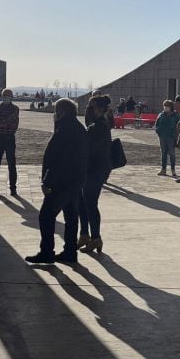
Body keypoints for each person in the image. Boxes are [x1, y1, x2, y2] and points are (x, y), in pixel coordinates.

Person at [25, 98, 89, 265]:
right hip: (75, 181)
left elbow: (59, 159)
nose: (54, 113)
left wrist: (47, 181)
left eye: (56, 110)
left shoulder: (65, 129)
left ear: (62, 111)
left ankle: (47, 252)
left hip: (62, 182)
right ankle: (69, 252)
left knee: (46, 216)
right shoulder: (77, 127)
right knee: (71, 217)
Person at [79, 95, 113, 254]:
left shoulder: (99, 127)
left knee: (90, 204)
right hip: (95, 170)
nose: (88, 111)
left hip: (95, 170)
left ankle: (95, 237)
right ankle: (86, 235)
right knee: (85, 204)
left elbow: (92, 149)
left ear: (99, 110)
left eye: (90, 108)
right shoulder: (98, 124)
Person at [155, 99, 180, 176]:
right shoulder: (161, 115)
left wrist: (175, 134)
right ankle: (163, 169)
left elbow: (179, 125)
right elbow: (157, 124)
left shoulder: (175, 115)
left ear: (171, 107)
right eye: (164, 106)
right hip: (162, 137)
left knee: (172, 154)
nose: (165, 108)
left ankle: (173, 170)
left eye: (167, 106)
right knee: (163, 153)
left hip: (171, 137)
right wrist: (158, 131)